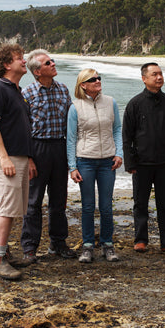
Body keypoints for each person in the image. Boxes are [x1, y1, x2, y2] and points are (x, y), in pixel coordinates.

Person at [122, 62, 165, 254]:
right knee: (140, 204)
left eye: (160, 74)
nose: (159, 77)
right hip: (142, 163)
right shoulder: (135, 104)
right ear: (144, 79)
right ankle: (140, 239)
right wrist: (130, 162)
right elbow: (127, 136)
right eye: (154, 74)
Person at [0, 43, 36, 280]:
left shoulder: (17, 91)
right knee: (7, 208)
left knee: (14, 208)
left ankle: (4, 254)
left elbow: (22, 128)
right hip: (7, 158)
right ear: (6, 64)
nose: (24, 61)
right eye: (19, 58)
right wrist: (3, 158)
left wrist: (29, 158)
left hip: (21, 157)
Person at [20, 49, 76, 262]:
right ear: (37, 71)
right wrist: (28, 158)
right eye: (47, 62)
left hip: (59, 148)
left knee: (59, 200)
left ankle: (58, 243)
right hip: (37, 148)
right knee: (33, 202)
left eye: (52, 61)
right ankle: (29, 247)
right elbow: (23, 129)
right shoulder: (27, 93)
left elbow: (71, 125)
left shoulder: (63, 89)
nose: (53, 64)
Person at [66, 68, 123, 263]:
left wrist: (119, 153)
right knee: (88, 206)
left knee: (106, 207)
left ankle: (108, 245)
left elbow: (116, 129)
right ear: (83, 84)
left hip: (108, 161)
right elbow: (71, 139)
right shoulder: (75, 107)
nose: (98, 81)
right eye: (93, 79)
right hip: (85, 161)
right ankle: (88, 246)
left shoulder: (111, 102)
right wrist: (72, 167)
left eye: (99, 77)